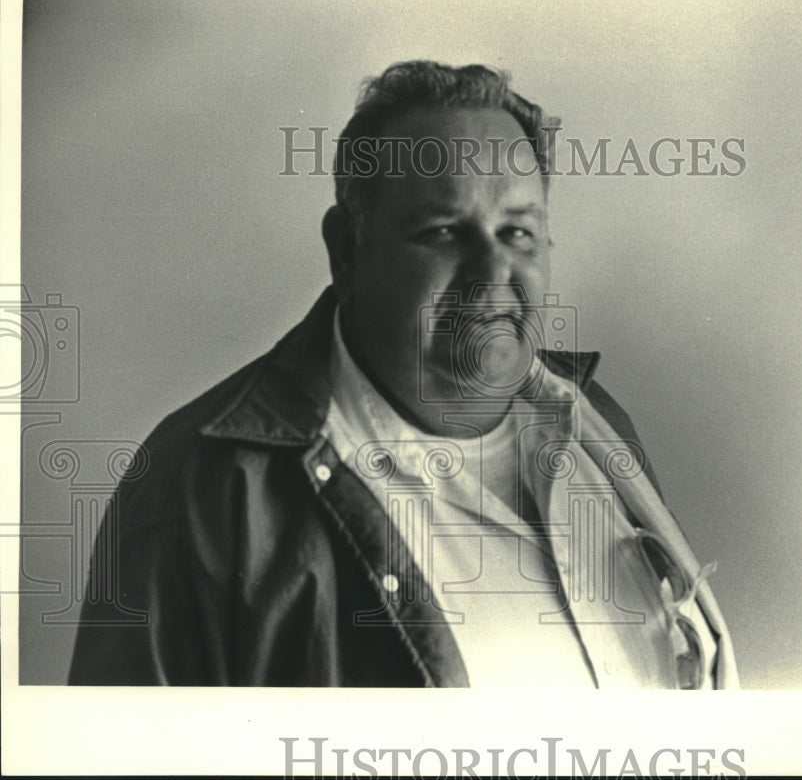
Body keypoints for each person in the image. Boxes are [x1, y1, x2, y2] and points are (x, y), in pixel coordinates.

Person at [68, 60, 738, 688]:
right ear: (346, 250)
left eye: (517, 232)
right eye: (445, 231)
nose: (493, 273)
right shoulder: (204, 493)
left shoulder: (592, 419)